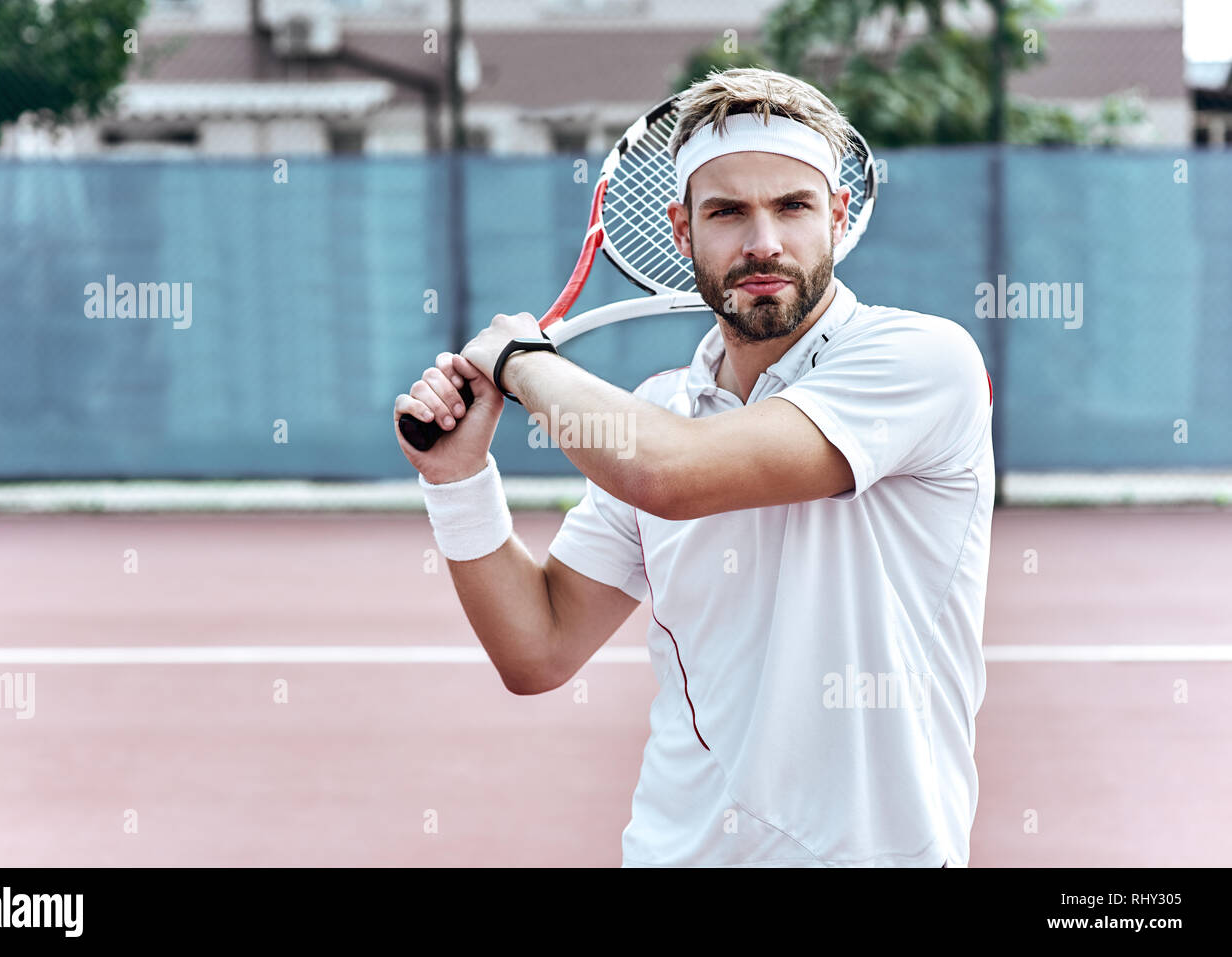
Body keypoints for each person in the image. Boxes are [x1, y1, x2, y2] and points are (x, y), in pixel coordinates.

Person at [394, 68, 993, 867]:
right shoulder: (654, 411)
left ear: (839, 217)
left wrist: (522, 365)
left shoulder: (924, 359)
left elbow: (676, 476)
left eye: (792, 206)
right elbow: (537, 649)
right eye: (728, 212)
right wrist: (458, 479)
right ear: (681, 231)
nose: (763, 243)